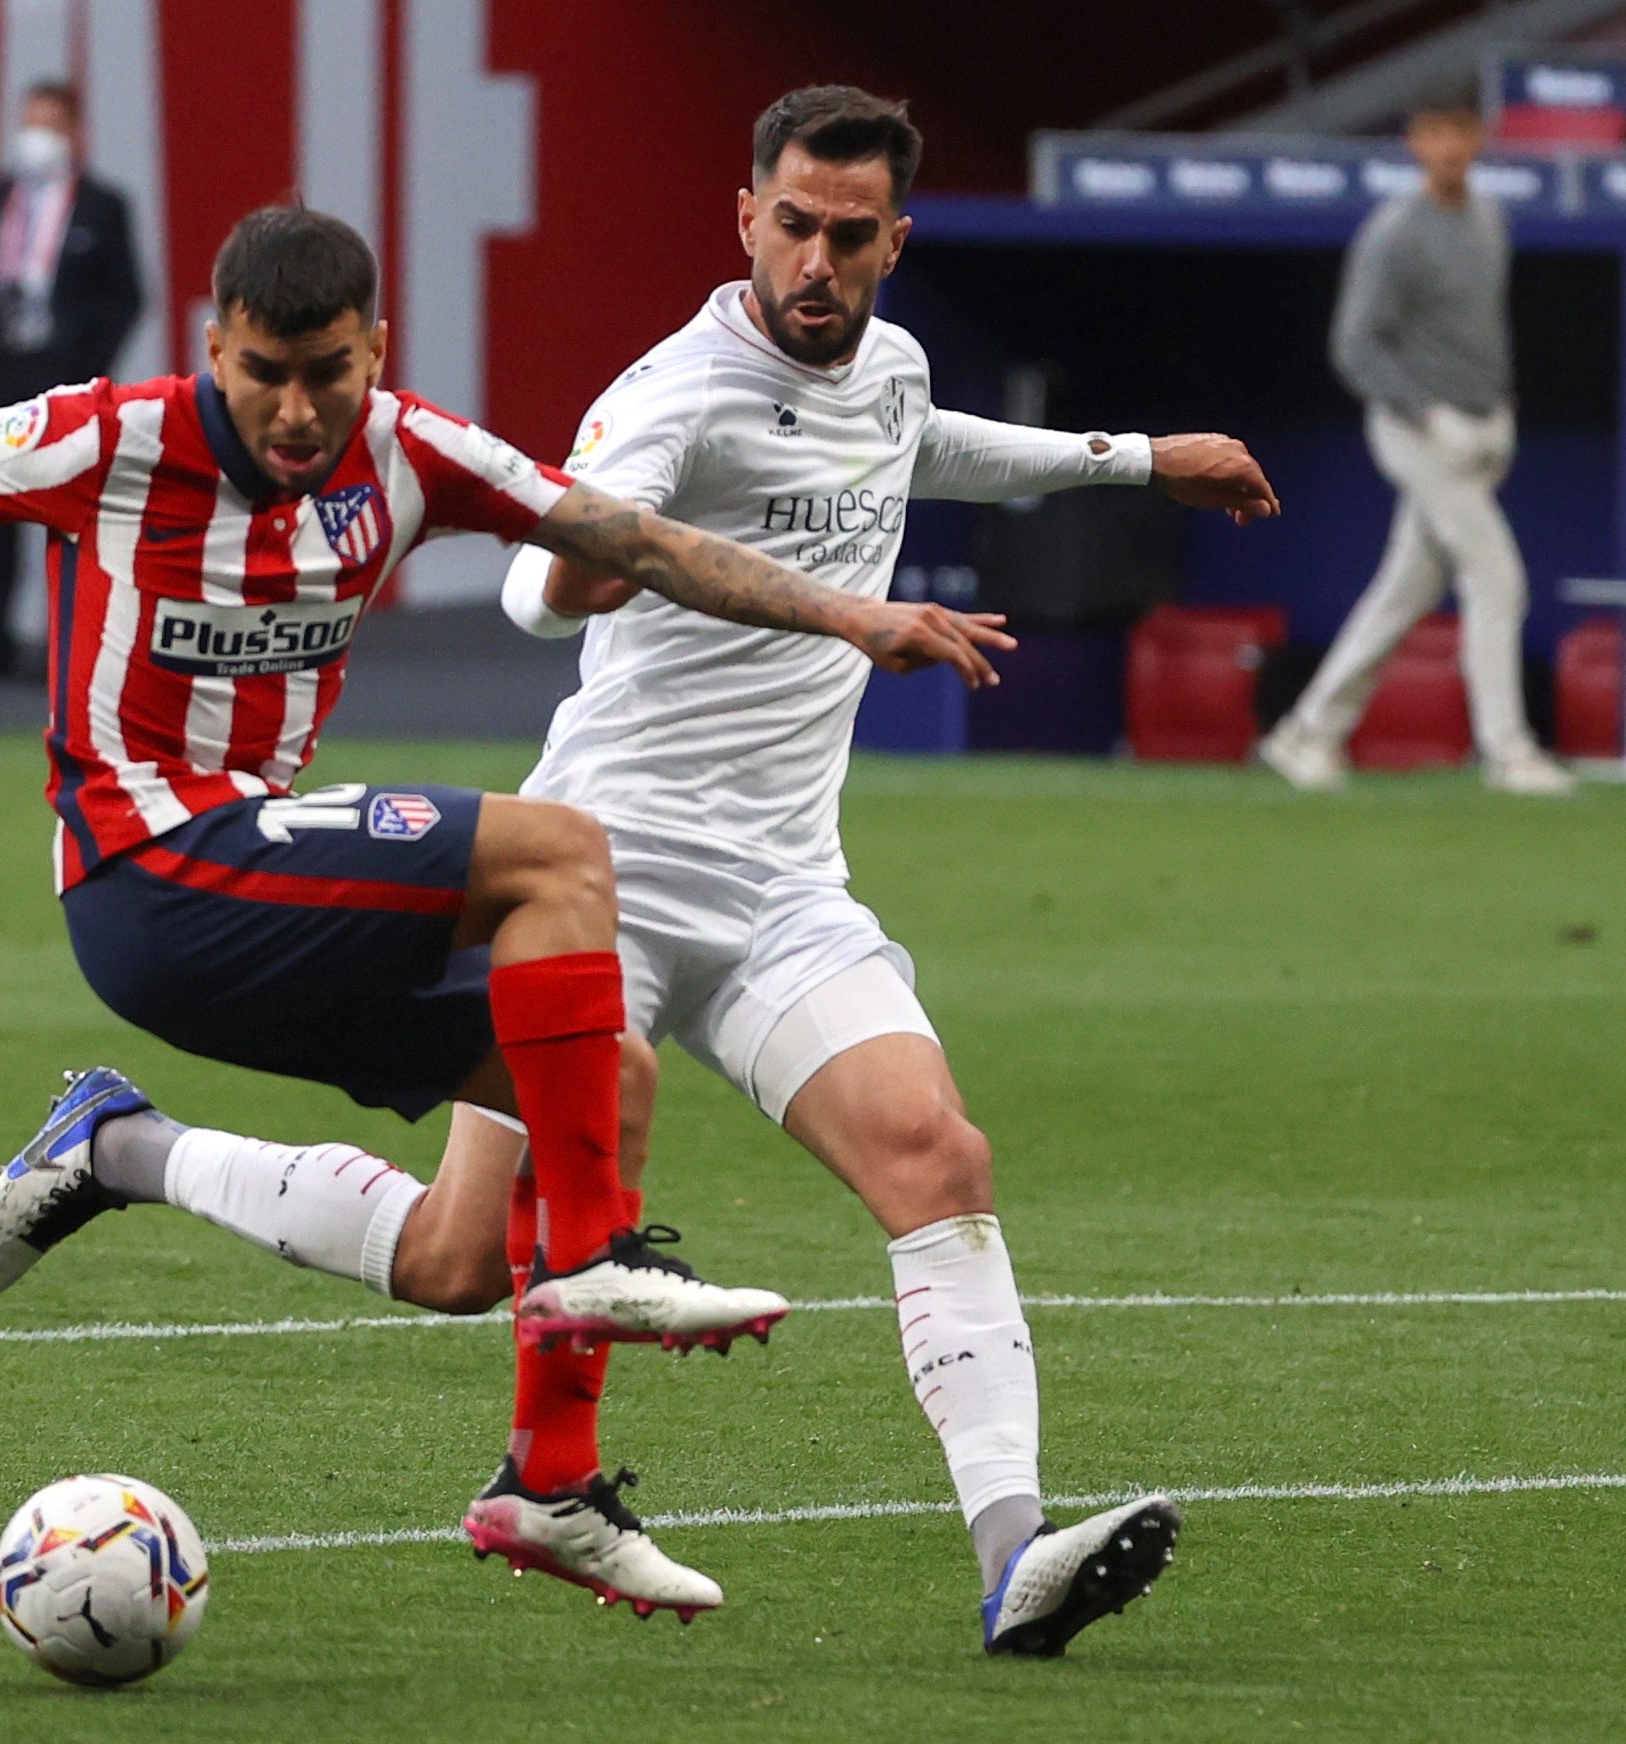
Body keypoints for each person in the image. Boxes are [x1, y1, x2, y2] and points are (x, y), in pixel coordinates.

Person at [0, 204, 1016, 1617]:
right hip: (149, 872)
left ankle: (539, 1476)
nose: (298, 405)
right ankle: (592, 1261)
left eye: (330, 368)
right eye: (265, 369)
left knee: (583, 1096)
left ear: (375, 350)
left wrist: (851, 616)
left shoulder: (411, 447)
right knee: (559, 854)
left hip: (268, 900)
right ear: (214, 348)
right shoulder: (117, 434)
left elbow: (626, 537)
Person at [433, 86, 1277, 1658]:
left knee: (935, 1155)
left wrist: (1136, 459)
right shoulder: (673, 393)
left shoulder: (888, 361)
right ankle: (121, 1151)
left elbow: (919, 444)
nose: (818, 261)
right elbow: (533, 609)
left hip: (780, 890)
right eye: (794, 226)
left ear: (898, 237)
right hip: (594, 875)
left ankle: (1017, 1554)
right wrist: (583, 543)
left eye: (851, 235)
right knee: (457, 1260)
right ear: (743, 218)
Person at [1259, 96, 1573, 796]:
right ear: (1414, 142)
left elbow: (1479, 325)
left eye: (1460, 130)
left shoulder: (1490, 215)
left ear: (1479, 138)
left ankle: (1306, 732)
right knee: (1498, 579)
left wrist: (1498, 404)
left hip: (1484, 424)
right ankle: (1509, 752)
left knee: (1400, 597)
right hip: (1419, 431)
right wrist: (1424, 410)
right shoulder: (1394, 232)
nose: (1449, 145)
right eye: (1435, 132)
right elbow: (1354, 345)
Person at [0, 81, 143, 677]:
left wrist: (88, 368)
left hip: (66, 376)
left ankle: (73, 642)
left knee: (69, 508)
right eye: (28, 122)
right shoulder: (2, 196)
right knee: (0, 505)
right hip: (6, 366)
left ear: (73, 132)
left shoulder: (101, 205)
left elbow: (127, 296)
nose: (34, 137)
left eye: (48, 124)